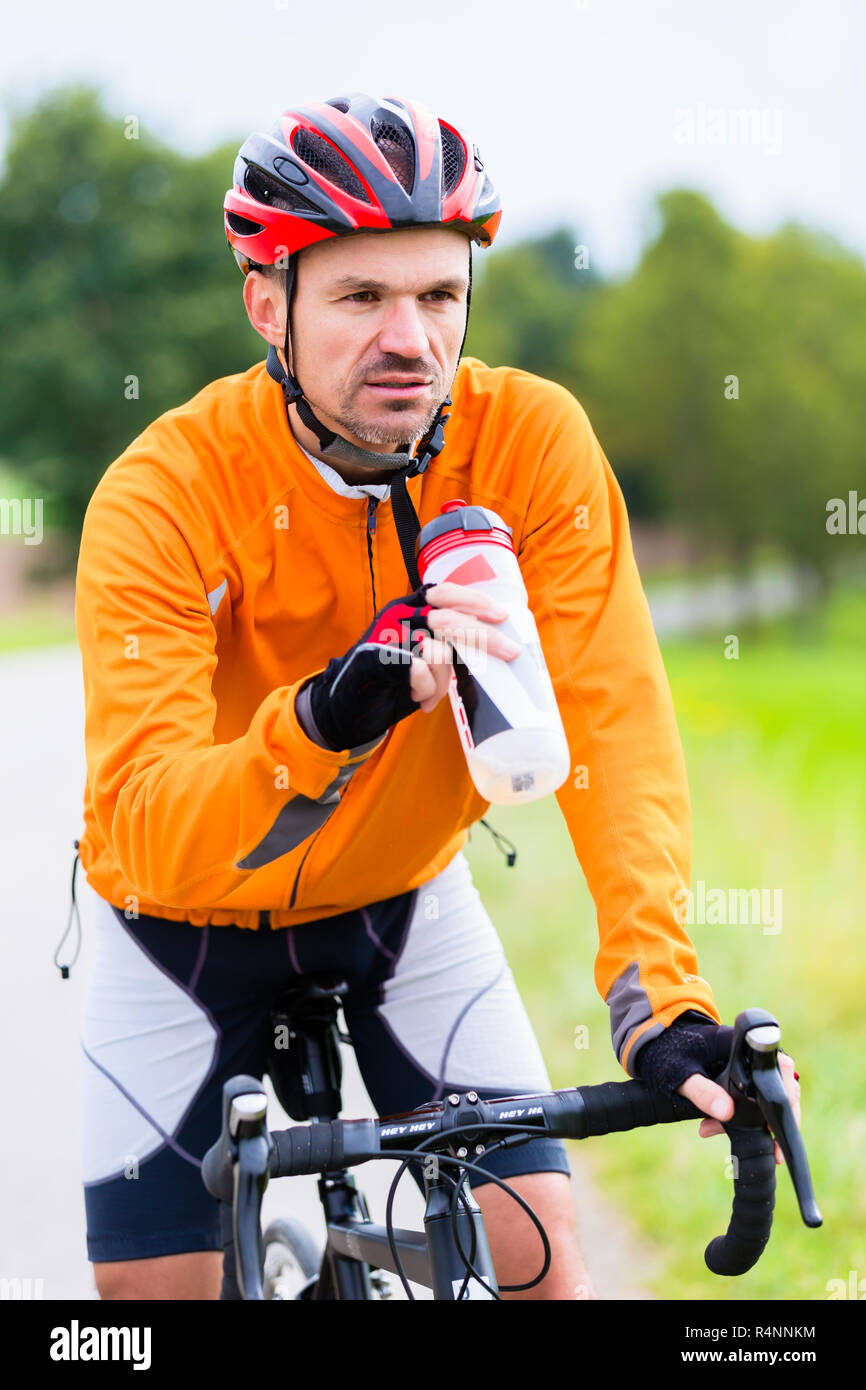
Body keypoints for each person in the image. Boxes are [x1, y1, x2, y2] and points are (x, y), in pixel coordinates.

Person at [73, 92, 799, 1301]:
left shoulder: (529, 442)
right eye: (360, 297)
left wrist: (658, 1000)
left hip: (400, 899)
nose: (409, 337)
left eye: (438, 295)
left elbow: (612, 726)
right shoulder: (163, 493)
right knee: (152, 1305)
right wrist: (321, 721)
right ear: (268, 305)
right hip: (177, 928)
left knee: (537, 1265)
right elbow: (145, 817)